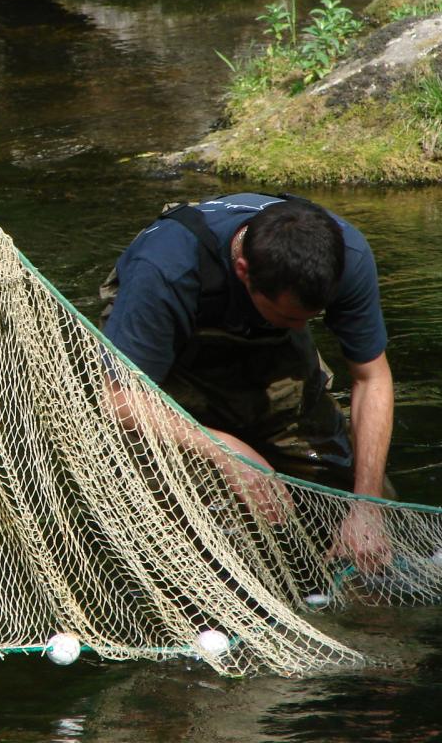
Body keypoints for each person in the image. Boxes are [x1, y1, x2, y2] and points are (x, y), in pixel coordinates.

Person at [100, 193, 394, 571]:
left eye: (312, 317)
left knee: (355, 499)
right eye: (290, 317)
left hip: (275, 358)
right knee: (201, 515)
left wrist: (367, 505)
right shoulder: (165, 268)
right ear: (243, 270)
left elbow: (372, 379)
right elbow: (118, 396)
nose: (303, 328)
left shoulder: (345, 256)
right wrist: (224, 450)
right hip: (170, 367)